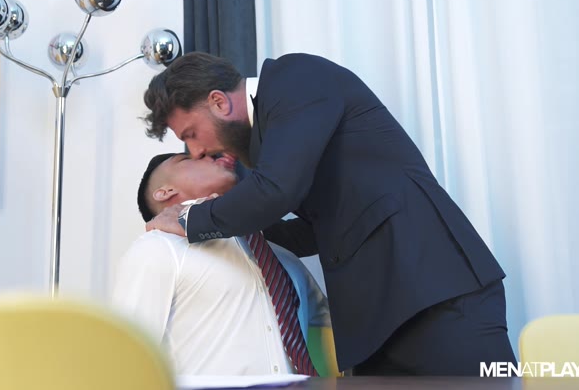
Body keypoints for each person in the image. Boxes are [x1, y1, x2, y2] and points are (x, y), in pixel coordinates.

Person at [140, 52, 517, 375]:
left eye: (190, 134)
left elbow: (276, 190)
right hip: (376, 326)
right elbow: (319, 229)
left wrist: (188, 221)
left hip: (434, 294)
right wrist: (239, 238)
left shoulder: (293, 78)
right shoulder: (270, 146)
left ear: (219, 102)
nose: (195, 151)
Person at [111, 152, 339, 376]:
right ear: (165, 192)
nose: (207, 155)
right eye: (187, 159)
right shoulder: (158, 249)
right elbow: (126, 357)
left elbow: (339, 326)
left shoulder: (282, 258)